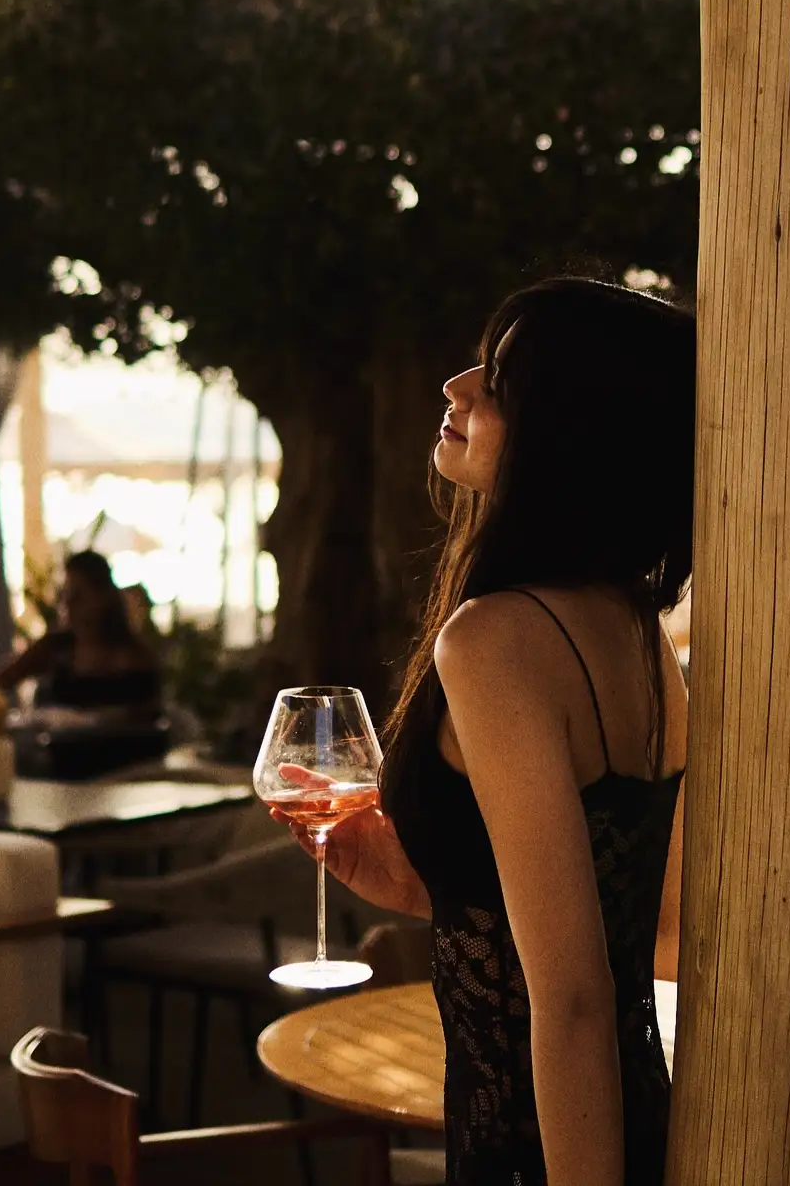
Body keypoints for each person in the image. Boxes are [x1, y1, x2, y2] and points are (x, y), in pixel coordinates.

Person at [271, 277, 693, 1186]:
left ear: (568, 430)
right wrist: (433, 887)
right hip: (632, 1126)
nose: (458, 385)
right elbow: (650, 929)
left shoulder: (496, 637)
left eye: (500, 379)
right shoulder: (636, 630)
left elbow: (576, 1001)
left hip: (542, 1151)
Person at [0, 548, 161, 713]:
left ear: (104, 598)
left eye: (78, 597)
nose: (69, 607)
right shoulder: (56, 648)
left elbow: (149, 718)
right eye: (65, 597)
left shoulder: (132, 657)